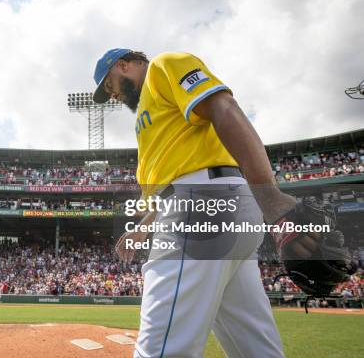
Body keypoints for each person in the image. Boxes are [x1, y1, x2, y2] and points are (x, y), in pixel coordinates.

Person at [92, 49, 318, 358]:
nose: (113, 95)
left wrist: (272, 198)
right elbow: (167, 185)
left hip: (201, 206)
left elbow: (223, 106)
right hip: (215, 209)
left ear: (124, 65)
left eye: (110, 85)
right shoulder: (151, 119)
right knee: (255, 348)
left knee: (161, 349)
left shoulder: (162, 66)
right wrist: (142, 229)